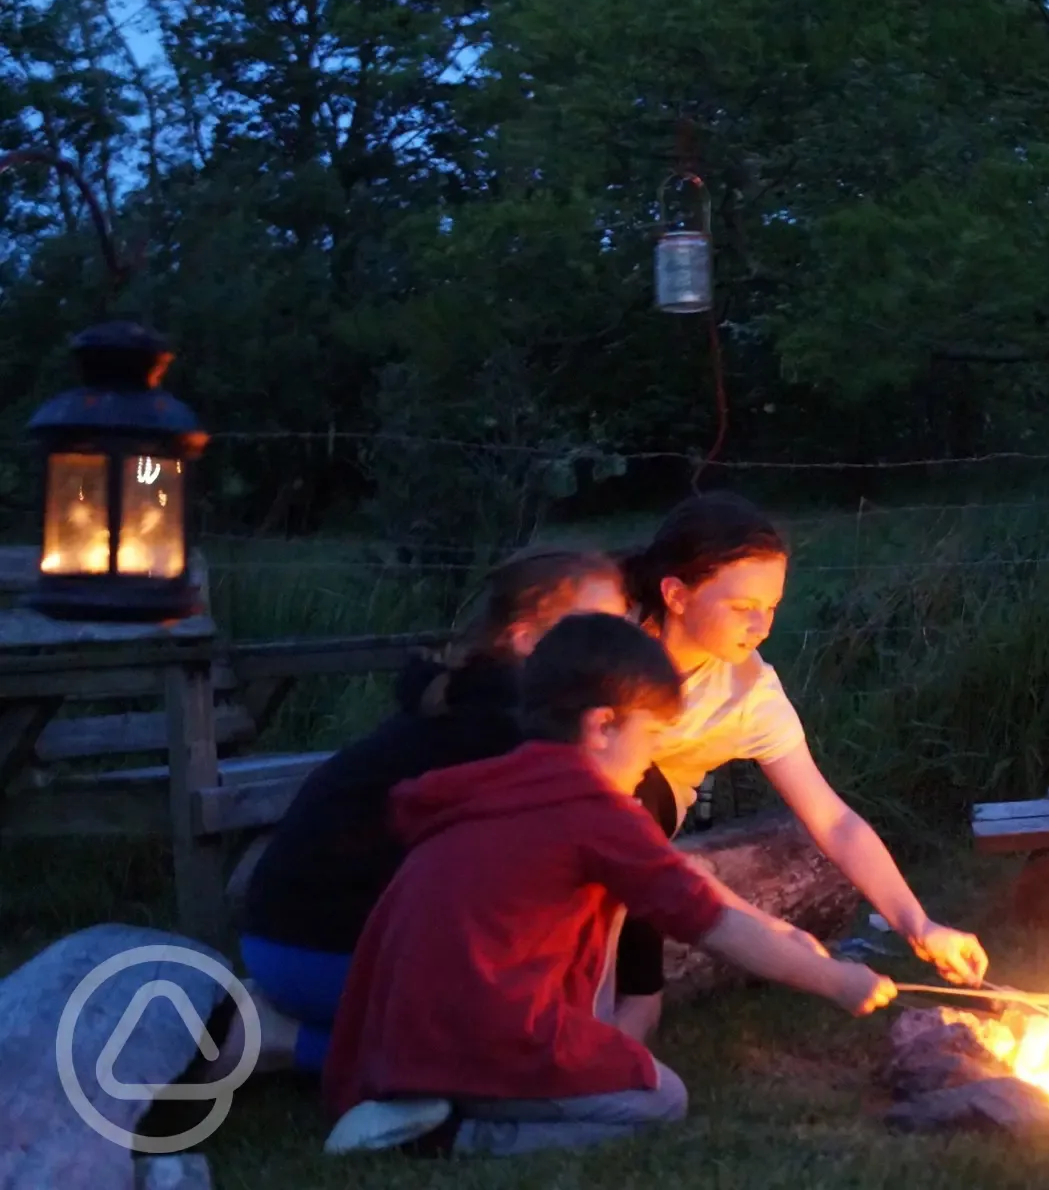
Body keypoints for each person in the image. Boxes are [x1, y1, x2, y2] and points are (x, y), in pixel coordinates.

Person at [322, 613, 895, 1157]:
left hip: (405, 1038)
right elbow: (713, 924)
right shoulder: (592, 808)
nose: (649, 763)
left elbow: (690, 895)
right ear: (602, 726)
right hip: (483, 1035)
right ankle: (451, 1137)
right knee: (661, 1099)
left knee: (607, 924)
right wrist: (836, 980)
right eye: (649, 739)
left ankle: (433, 1101)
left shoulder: (503, 781)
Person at [228, 548, 627, 1077]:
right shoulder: (506, 733)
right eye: (594, 630)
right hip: (318, 943)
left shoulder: (481, 703)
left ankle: (306, 1026)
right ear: (527, 639)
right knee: (492, 1060)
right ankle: (281, 1040)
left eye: (620, 629)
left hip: (290, 939)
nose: (617, 650)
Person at [604, 492, 987, 1041]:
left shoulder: (747, 692)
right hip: (566, 815)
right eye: (742, 608)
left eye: (773, 607)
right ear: (676, 594)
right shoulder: (605, 637)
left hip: (642, 842)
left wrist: (918, 924)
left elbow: (831, 818)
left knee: (644, 807)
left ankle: (632, 1010)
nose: (761, 625)